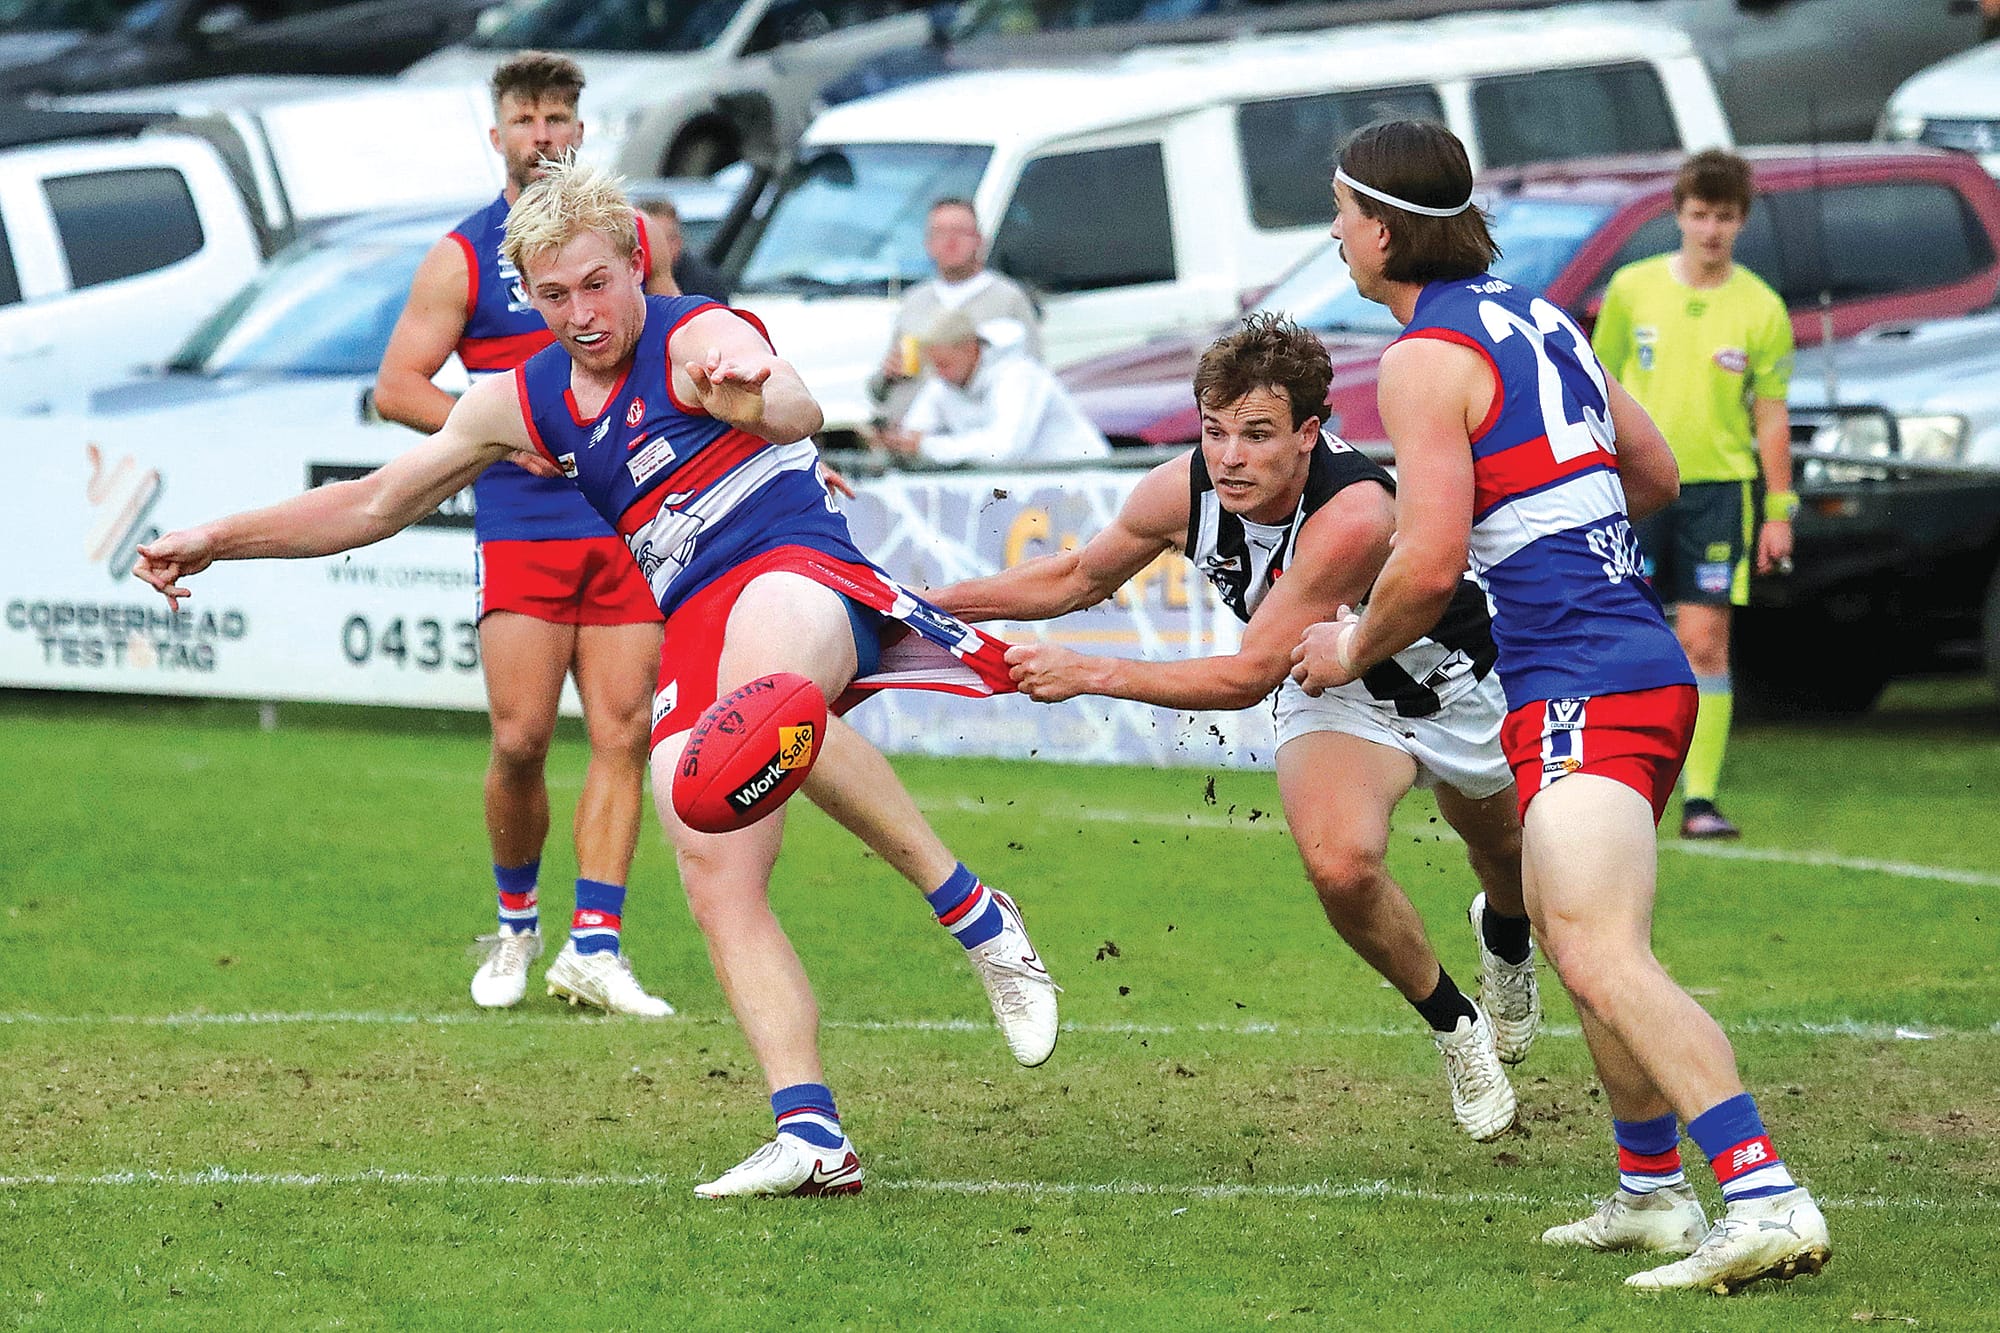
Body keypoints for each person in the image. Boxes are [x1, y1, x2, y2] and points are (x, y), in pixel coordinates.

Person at [143, 156, 1061, 1198]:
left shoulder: (695, 336)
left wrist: (766, 398)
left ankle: (979, 918)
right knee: (706, 849)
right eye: (551, 295)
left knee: (763, 702)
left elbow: (793, 401)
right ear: (525, 297)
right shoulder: (522, 400)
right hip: (697, 622)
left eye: (595, 283)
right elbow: (371, 503)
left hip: (797, 573)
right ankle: (812, 1133)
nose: (580, 313)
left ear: (635, 263)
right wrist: (219, 536)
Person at [1291, 119, 1828, 1293]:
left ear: (1381, 224)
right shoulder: (1533, 312)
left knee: (1593, 947)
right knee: (1573, 927)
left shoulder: (1421, 357)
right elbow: (1653, 473)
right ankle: (1647, 1192)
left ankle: (1761, 1191)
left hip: (1586, 673)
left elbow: (1426, 566)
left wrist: (1344, 646)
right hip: (1612, 660)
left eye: (1338, 210)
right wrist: (1573, 555)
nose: (1331, 232)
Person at [931, 312, 1536, 1142]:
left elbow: (1248, 674)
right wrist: (925, 603)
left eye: (1257, 434)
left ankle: (1505, 934)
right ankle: (1455, 1026)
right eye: (1216, 432)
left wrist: (1092, 673)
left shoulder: (1355, 511)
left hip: (1453, 681)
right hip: (1329, 685)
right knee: (1341, 866)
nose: (1230, 456)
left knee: (1506, 861)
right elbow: (1076, 576)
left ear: (1309, 433)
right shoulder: (1180, 487)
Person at [375, 52, 679, 1018]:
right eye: (524, 119)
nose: (542, 134)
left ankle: (598, 943)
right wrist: (503, 429)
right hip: (522, 527)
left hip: (627, 516)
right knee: (520, 738)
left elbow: (680, 340)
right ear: (497, 134)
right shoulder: (466, 254)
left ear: (581, 130)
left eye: (558, 118)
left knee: (625, 729)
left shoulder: (627, 239)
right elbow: (398, 386)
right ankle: (515, 929)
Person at [1591, 149, 1795, 841]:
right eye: (1700, 215)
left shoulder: (1762, 307)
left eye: (1726, 217)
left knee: (1703, 639)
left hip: (1719, 491)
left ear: (1743, 221)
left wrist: (1779, 510)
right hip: (1639, 489)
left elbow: (1769, 413)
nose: (1711, 230)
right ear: (1678, 215)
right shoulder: (1632, 289)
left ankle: (1700, 799)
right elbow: (1598, 386)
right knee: (1629, 634)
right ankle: (1621, 782)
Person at [868, 198, 1042, 426]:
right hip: (910, 438)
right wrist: (887, 376)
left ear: (979, 240)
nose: (950, 241)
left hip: (976, 436)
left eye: (960, 232)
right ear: (928, 244)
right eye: (940, 233)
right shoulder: (914, 301)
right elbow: (879, 391)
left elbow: (1034, 376)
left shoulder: (1007, 299)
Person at [871, 309, 1109, 467]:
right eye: (935, 365)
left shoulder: (1020, 375)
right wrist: (897, 441)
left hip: (1082, 477)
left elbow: (1004, 449)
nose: (939, 373)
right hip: (1032, 489)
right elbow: (916, 431)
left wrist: (927, 446)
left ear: (971, 349)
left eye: (945, 364)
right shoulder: (943, 381)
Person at [634, 195, 733, 303]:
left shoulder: (703, 283)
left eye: (663, 239)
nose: (656, 247)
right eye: (645, 240)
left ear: (678, 242)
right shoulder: (625, 278)